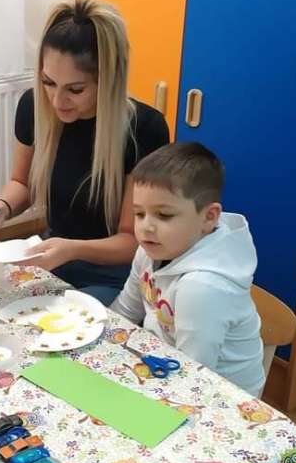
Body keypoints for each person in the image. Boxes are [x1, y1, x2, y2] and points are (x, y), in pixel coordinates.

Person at [0, 0, 169, 305]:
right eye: (48, 82)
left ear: (107, 80)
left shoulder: (144, 129)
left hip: (111, 274)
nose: (57, 101)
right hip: (52, 257)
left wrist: (72, 249)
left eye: (75, 89)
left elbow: (132, 241)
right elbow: (22, 183)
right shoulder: (33, 106)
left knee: (52, 326)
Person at [110, 142, 265, 396]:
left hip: (221, 395)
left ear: (209, 217)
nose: (146, 227)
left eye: (164, 215)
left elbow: (193, 376)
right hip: (168, 361)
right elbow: (125, 311)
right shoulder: (150, 250)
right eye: (139, 214)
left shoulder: (202, 288)